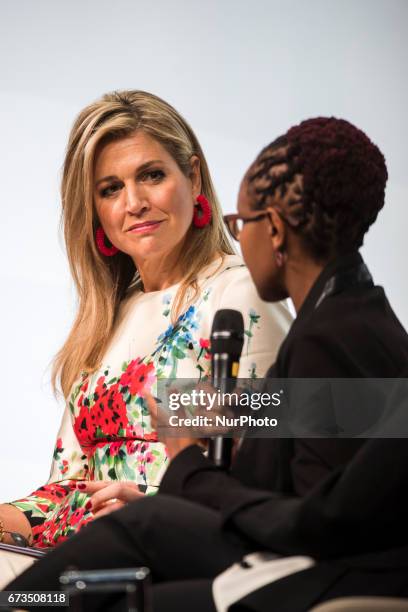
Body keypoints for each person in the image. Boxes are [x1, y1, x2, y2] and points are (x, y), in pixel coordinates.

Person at [7, 117, 408, 611]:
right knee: (96, 569)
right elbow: (276, 442)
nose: (133, 202)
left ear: (275, 230)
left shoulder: (326, 331)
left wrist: (188, 479)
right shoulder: (345, 321)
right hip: (199, 536)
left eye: (241, 224)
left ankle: (18, 602)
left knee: (94, 570)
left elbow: (319, 514)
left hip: (308, 570)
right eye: (111, 189)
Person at [0, 90, 292, 586]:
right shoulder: (103, 321)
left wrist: (162, 506)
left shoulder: (238, 294)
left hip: (173, 553)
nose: (134, 203)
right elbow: (69, 483)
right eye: (110, 189)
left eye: (152, 175)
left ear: (193, 176)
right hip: (80, 550)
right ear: (93, 210)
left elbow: (279, 466)